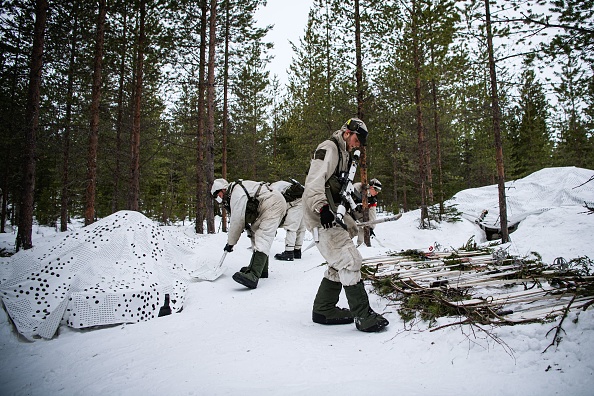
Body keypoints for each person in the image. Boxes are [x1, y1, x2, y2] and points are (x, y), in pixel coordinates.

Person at [302, 118, 389, 333]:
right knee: (350, 260)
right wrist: (321, 208)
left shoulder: (345, 155)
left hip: (334, 214)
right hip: (320, 214)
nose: (357, 144)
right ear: (347, 133)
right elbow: (314, 181)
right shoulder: (329, 148)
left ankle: (324, 309)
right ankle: (363, 315)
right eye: (357, 139)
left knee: (339, 261)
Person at [211, 178, 286, 289]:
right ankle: (260, 270)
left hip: (273, 204)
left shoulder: (236, 193)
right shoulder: (234, 192)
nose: (220, 198)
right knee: (256, 235)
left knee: (263, 236)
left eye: (218, 195)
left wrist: (230, 243)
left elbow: (237, 221)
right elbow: (244, 221)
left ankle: (253, 275)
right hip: (267, 205)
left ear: (222, 189)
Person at [270, 180, 306, 261]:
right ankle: (297, 251)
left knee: (291, 227)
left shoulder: (271, 190)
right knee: (301, 228)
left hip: (296, 203)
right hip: (304, 200)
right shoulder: (281, 184)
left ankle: (289, 252)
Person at [352, 178, 382, 246]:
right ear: (371, 187)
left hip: (359, 212)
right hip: (348, 210)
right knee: (351, 228)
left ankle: (361, 244)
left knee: (365, 223)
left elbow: (372, 213)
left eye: (379, 191)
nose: (377, 192)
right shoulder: (357, 187)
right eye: (376, 190)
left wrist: (371, 227)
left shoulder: (373, 198)